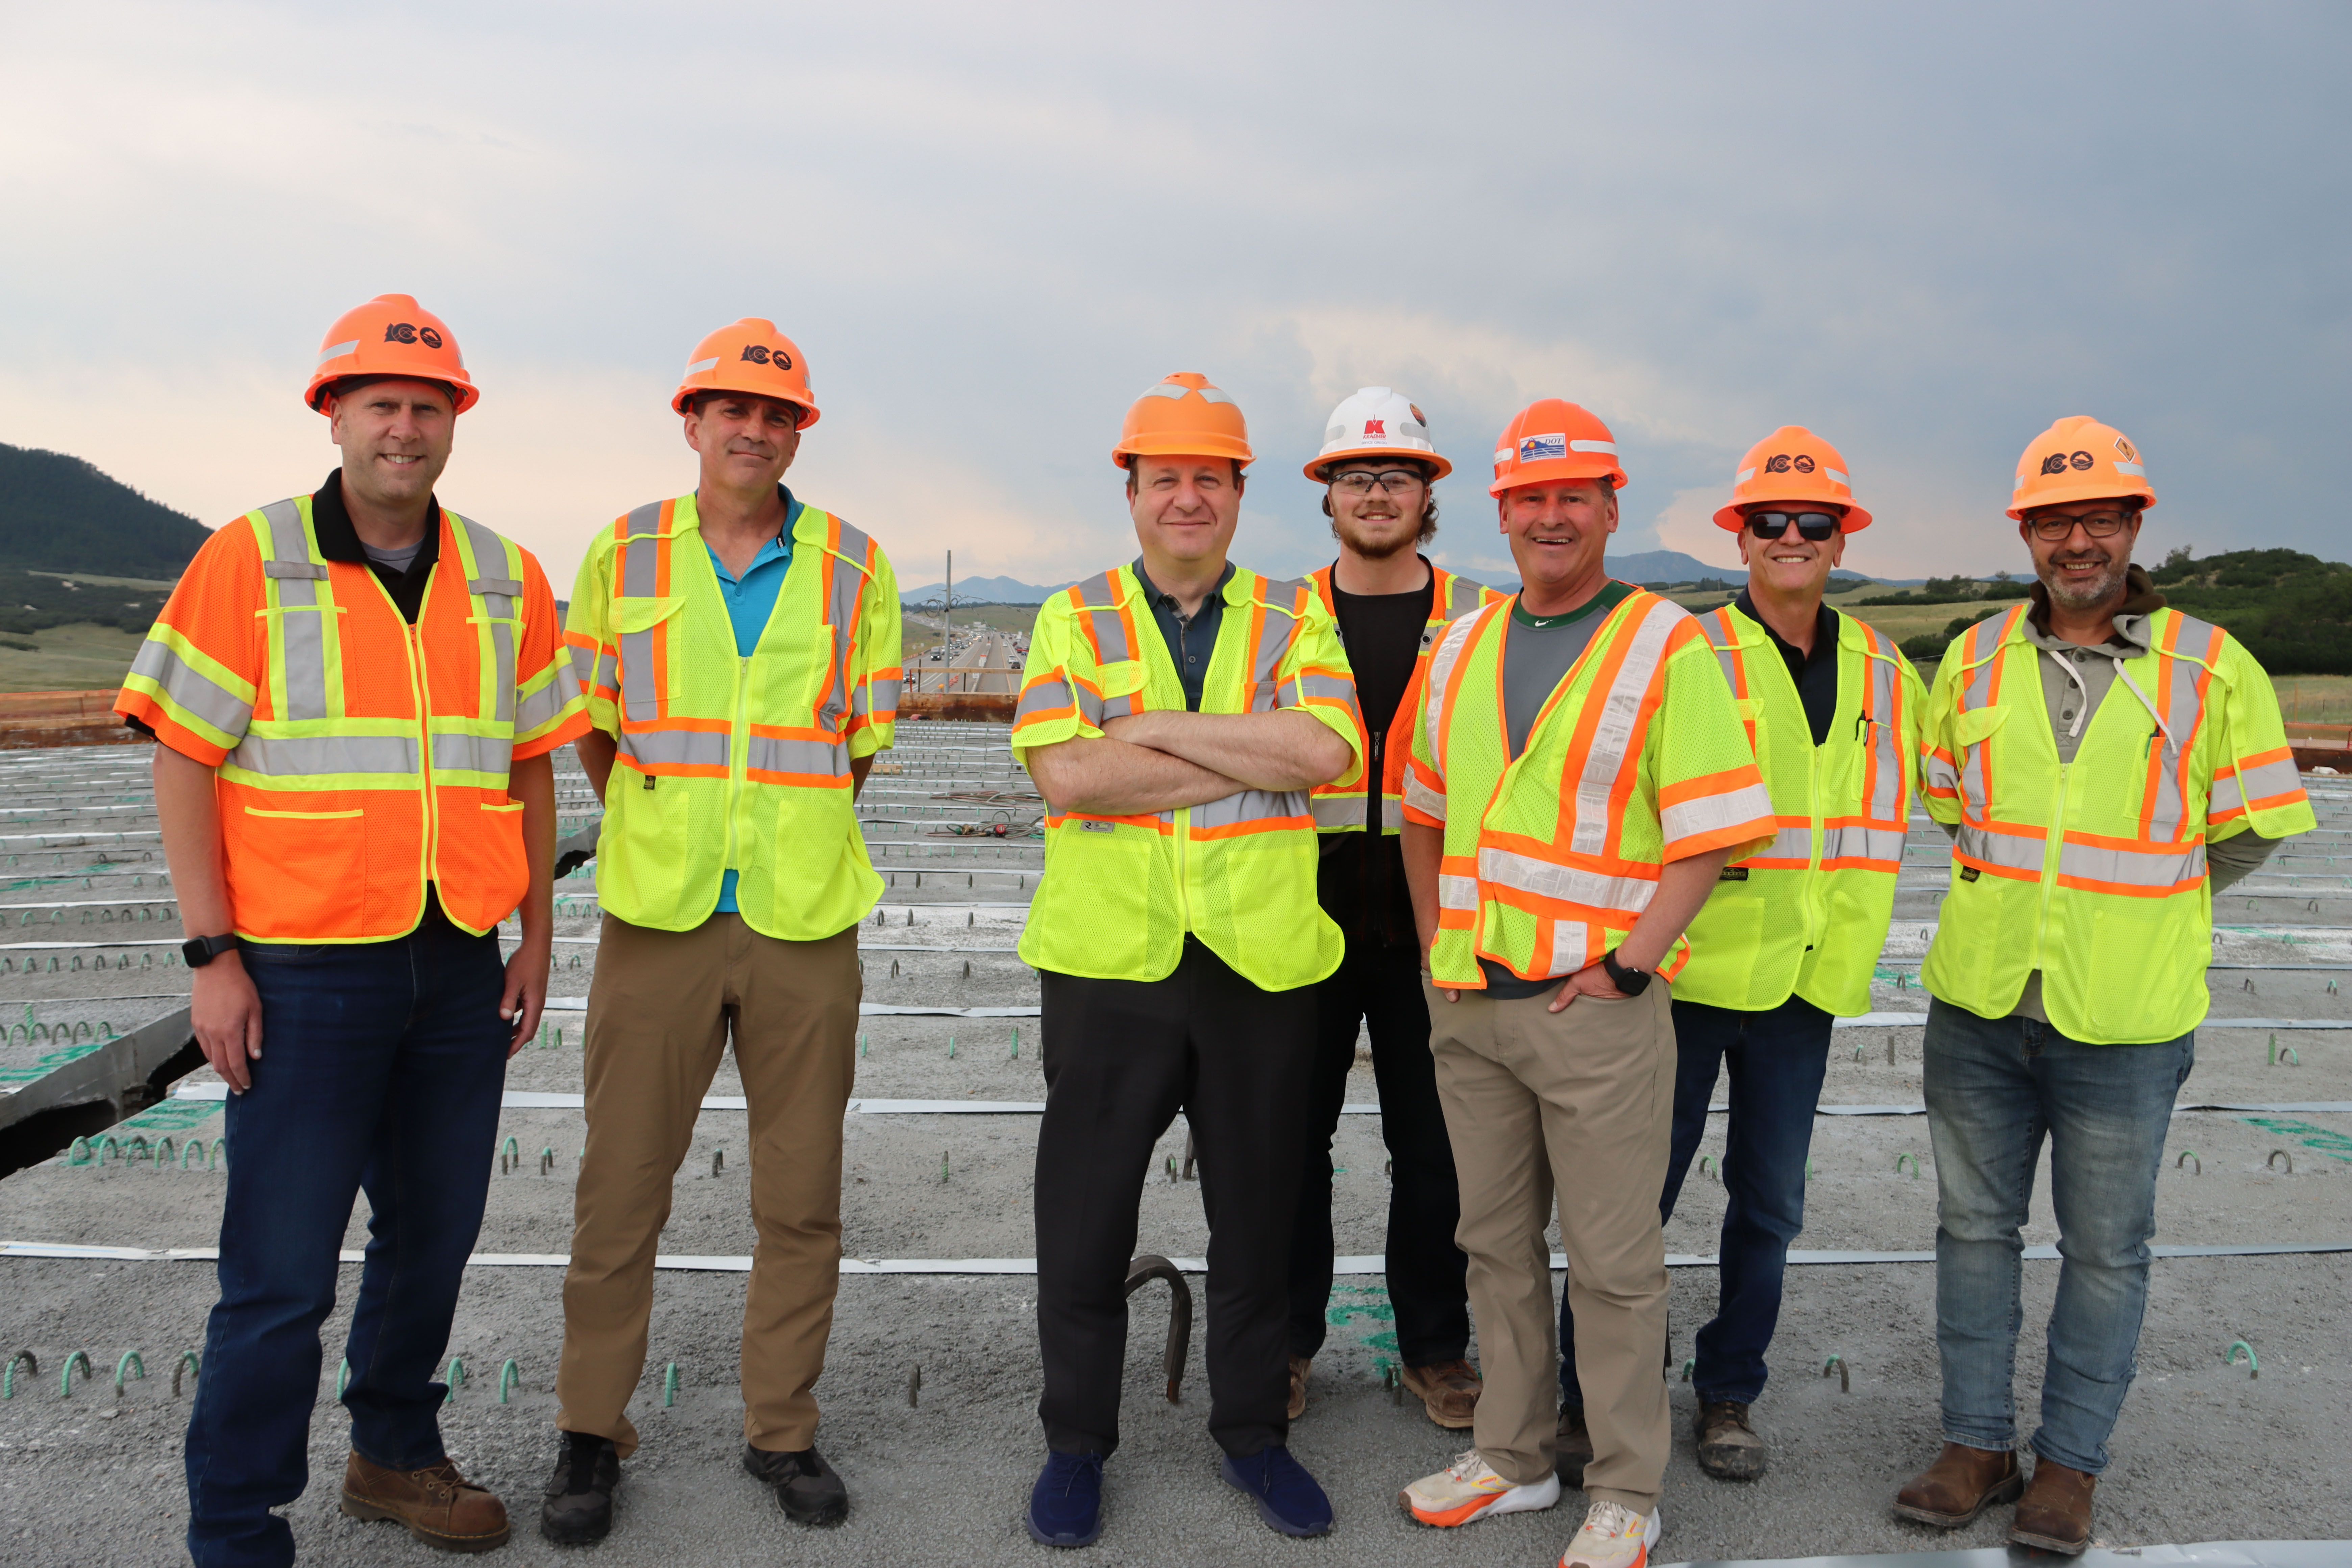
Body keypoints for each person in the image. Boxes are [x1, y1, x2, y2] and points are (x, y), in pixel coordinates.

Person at [119, 294, 588, 1567]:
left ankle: (393, 1454)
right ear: (334, 415)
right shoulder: (253, 559)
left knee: (433, 1238)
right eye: (380, 402)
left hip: (454, 964)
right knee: (282, 1271)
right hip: (303, 967)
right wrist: (213, 957)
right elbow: (182, 755)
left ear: (455, 424)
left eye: (428, 405)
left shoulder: (506, 574)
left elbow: (535, 764)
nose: (405, 425)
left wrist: (538, 937)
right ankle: (237, 1523)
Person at [1894, 417, 2314, 1555]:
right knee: (1973, 1230)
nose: (2077, 541)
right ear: (2025, 532)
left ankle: (2069, 1466)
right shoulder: (1975, 658)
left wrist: (2159, 898)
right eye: (2054, 521)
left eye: (2099, 519)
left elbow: (2257, 825)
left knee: (2106, 1249)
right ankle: (1977, 1445)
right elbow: (1950, 802)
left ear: (2135, 526)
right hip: (1981, 1003)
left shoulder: (2211, 665)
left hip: (2126, 1017)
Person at [1395, 400, 1775, 1568]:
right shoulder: (1457, 644)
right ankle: (1511, 1457)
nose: (1551, 516)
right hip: (1473, 1004)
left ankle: (1625, 1486)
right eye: (1530, 498)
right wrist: (1434, 951)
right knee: (1494, 1243)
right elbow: (1421, 810)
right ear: (1501, 513)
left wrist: (1627, 966)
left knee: (1615, 1265)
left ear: (1612, 507)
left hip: (1593, 1010)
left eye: (1574, 495)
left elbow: (1708, 834)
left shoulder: (1669, 642)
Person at [542, 320, 902, 1544]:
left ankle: (781, 1434)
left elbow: (855, 749)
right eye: (731, 409)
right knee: (620, 1191)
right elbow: (594, 725)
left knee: (801, 1201)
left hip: (804, 925)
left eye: (778, 413)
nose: (754, 430)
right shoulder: (622, 553)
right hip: (660, 918)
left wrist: (777, 844)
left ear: (801, 431)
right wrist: (658, 825)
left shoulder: (856, 567)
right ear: (690, 420)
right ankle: (591, 1434)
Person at [1011, 372, 1363, 1547]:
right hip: (1112, 961)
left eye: (1208, 477)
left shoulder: (1289, 612)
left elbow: (1323, 750)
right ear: (1133, 490)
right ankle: (1077, 1445)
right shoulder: (1073, 614)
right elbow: (1065, 775)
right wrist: (1245, 756)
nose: (1187, 497)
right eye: (1166, 477)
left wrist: (1143, 731)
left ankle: (1253, 1435)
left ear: (1238, 491)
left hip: (1261, 964)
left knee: (1260, 1215)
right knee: (1086, 1214)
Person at [1550, 427, 1926, 1484]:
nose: (1794, 538)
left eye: (1815, 524)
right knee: (1632, 1201)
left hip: (1806, 982)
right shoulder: (1687, 650)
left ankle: (1729, 1395)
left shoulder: (1891, 673)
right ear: (1742, 537)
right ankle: (1594, 1397)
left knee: (1770, 1206)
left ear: (1841, 537)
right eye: (1773, 522)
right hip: (1679, 977)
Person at [1288, 387, 1500, 1429]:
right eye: (1358, 477)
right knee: (1293, 1140)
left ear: (1429, 495)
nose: (1378, 494)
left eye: (1398, 476)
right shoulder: (1279, 617)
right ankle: (1287, 1341)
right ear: (1327, 494)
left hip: (1432, 903)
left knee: (1436, 1146)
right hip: (1306, 907)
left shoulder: (1482, 619)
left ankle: (1435, 1347)